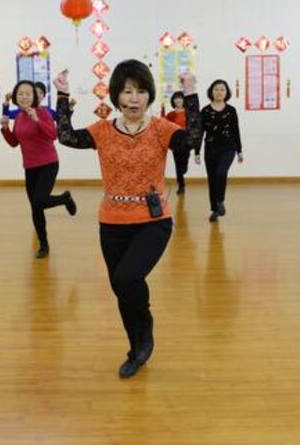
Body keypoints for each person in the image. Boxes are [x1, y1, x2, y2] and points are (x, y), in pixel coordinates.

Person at [53, 61, 201, 379]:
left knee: (126, 279)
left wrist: (191, 95)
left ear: (149, 96)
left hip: (153, 220)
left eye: (141, 91)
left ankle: (145, 327)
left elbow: (192, 140)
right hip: (112, 222)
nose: (134, 98)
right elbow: (65, 136)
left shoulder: (162, 129)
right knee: (122, 288)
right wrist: (62, 97)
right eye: (127, 91)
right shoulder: (103, 131)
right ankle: (136, 350)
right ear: (116, 96)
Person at [0, 80, 77, 259]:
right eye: (20, 94)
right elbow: (14, 143)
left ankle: (65, 199)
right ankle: (43, 244)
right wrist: (5, 128)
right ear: (15, 97)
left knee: (39, 201)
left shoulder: (43, 112)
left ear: (34, 96)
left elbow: (53, 135)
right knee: (36, 208)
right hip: (30, 167)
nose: (24, 97)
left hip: (48, 163)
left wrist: (37, 119)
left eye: (28, 93)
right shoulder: (18, 117)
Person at [195, 79, 243, 222]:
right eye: (216, 89)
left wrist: (239, 150)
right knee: (212, 179)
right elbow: (200, 132)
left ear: (226, 92)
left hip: (228, 148)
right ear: (211, 91)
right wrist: (197, 152)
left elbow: (236, 131)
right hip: (210, 148)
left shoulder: (231, 110)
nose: (219, 92)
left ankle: (220, 200)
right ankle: (215, 209)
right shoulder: (205, 111)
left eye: (222, 89)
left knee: (221, 172)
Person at [2, 80, 75, 121]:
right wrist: (7, 101)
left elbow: (62, 118)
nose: (38, 95)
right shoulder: (23, 111)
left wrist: (70, 107)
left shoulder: (47, 111)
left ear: (44, 96)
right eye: (36, 92)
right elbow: (7, 114)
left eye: (41, 93)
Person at [165, 91, 190, 195]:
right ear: (173, 101)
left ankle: (185, 165)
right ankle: (181, 185)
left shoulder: (189, 112)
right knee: (178, 165)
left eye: (180, 98)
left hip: (187, 139)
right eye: (175, 98)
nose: (178, 100)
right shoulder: (170, 114)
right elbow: (166, 128)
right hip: (175, 141)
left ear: (183, 100)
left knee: (184, 161)